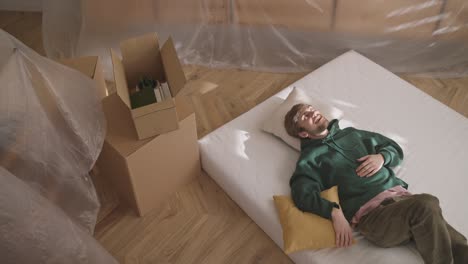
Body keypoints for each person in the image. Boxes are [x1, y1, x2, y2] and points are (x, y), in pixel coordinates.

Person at [284, 103, 468, 264]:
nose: (312, 112)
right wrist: (334, 211)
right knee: (427, 204)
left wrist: (382, 157)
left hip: (403, 201)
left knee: (458, 243)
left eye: (311, 108)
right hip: (374, 219)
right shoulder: (309, 160)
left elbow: (393, 147)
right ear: (303, 132)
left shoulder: (352, 134)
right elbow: (303, 195)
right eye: (304, 115)